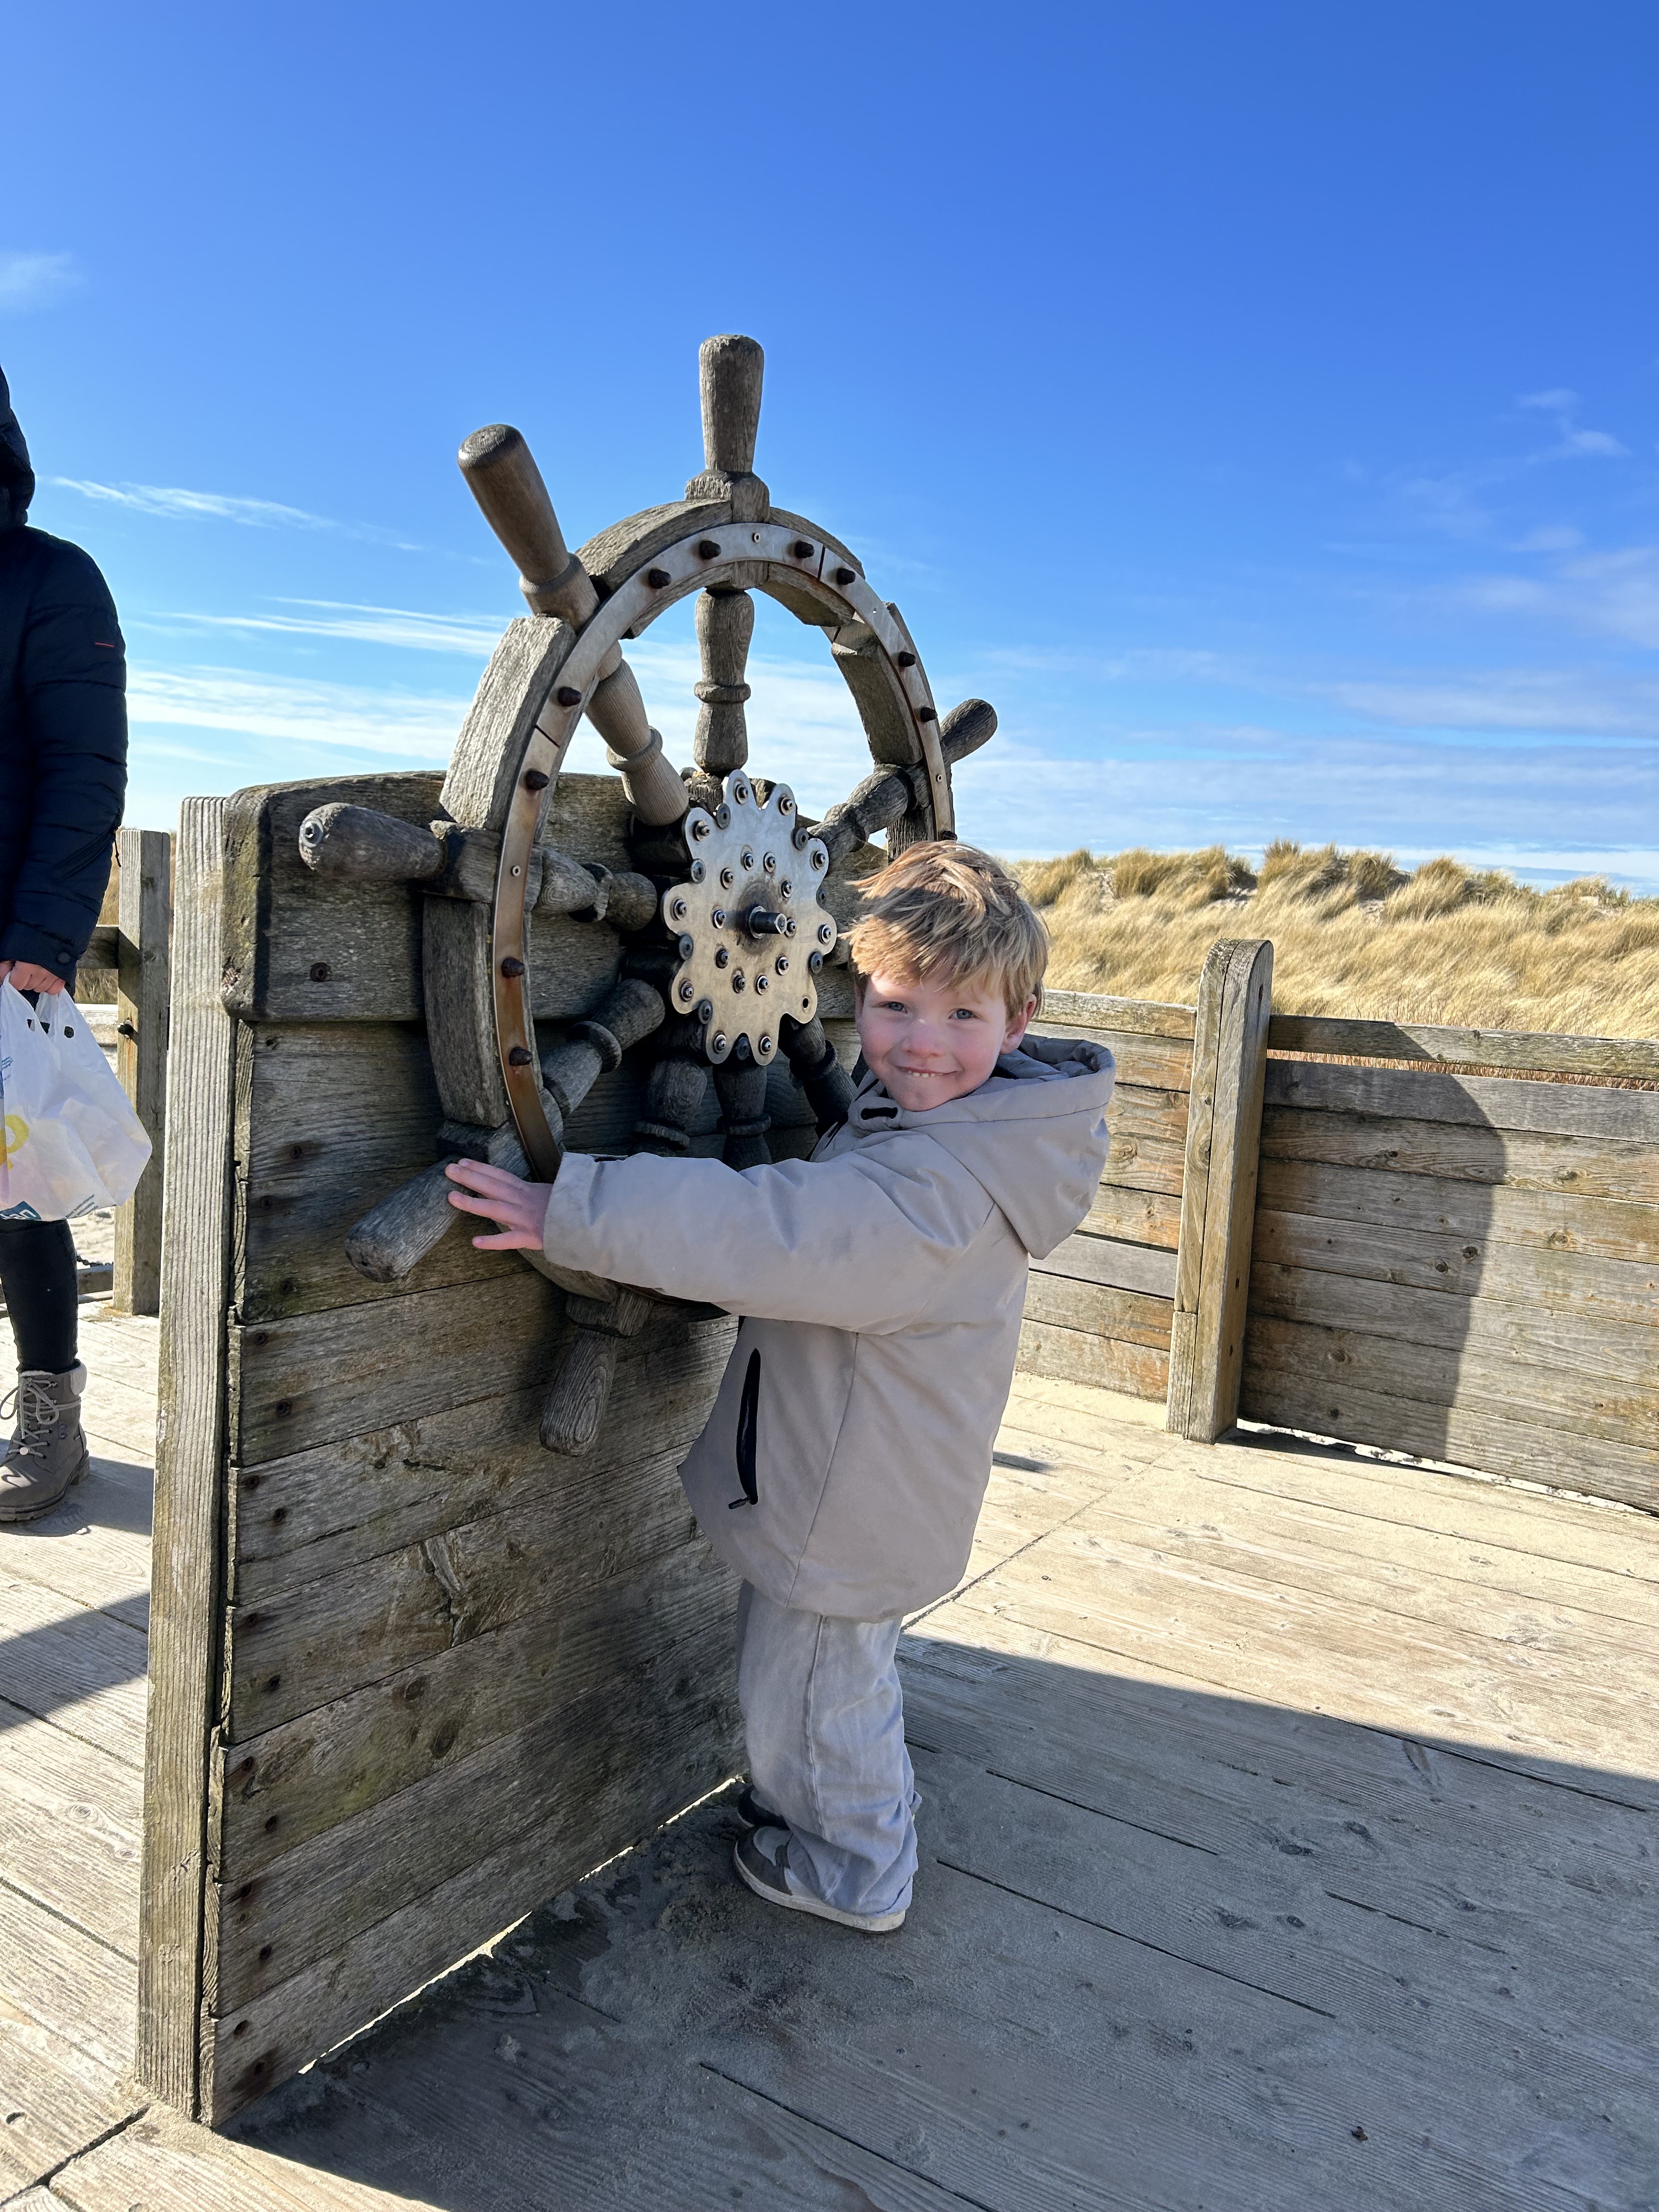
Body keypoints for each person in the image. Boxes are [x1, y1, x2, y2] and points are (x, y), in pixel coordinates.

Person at [444, 842, 1114, 1933]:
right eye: (898, 1008)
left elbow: (774, 1233)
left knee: (810, 1691)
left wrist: (576, 1208)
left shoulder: (938, 1196)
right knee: (839, 1682)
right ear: (858, 996)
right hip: (874, 1478)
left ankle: (856, 1869)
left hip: (849, 1499)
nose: (923, 1043)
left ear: (1019, 1023)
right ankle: (846, 1806)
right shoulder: (975, 1136)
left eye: (961, 1016)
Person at [0, 368, 129, 1522]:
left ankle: (53, 1410)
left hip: (4, 946)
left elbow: (85, 772)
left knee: (20, 1189)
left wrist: (44, 936)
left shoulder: (51, 577)